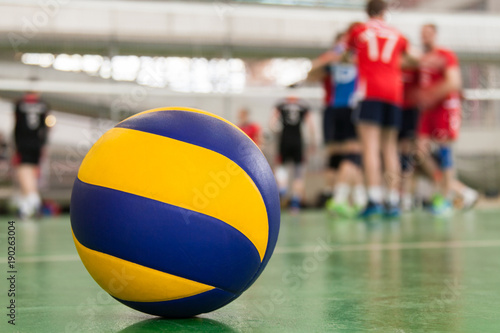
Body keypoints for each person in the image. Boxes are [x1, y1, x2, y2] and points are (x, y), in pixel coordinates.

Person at [346, 0, 410, 218]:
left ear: (367, 11)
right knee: (390, 148)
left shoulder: (359, 31)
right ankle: (392, 201)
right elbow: (408, 58)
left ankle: (373, 200)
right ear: (385, 11)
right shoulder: (397, 34)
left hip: (370, 91)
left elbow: (346, 54)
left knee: (370, 148)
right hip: (394, 93)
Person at [416, 23, 478, 215]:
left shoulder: (445, 55)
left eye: (428, 34)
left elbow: (454, 82)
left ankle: (445, 199)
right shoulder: (421, 59)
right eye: (422, 34)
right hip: (429, 111)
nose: (425, 37)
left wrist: (432, 94)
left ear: (435, 35)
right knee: (420, 150)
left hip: (445, 108)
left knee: (445, 151)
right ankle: (458, 189)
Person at [304, 29, 366, 217]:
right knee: (338, 155)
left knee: (353, 153)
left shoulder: (359, 57)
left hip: (351, 108)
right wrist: (330, 58)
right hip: (336, 109)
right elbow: (311, 73)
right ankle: (340, 198)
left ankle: (351, 199)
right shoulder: (333, 59)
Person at [270, 96, 316, 212]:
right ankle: (295, 201)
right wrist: (313, 141)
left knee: (282, 166)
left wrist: (276, 131)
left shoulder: (280, 105)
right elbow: (311, 125)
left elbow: (272, 123)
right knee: (298, 172)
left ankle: (282, 190)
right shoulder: (303, 106)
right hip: (297, 141)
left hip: (284, 140)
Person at [13, 91, 49, 219]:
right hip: (36, 145)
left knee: (24, 172)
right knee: (31, 174)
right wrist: (43, 145)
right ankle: (26, 207)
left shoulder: (20, 103)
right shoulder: (43, 104)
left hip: (23, 145)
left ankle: (34, 201)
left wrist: (16, 146)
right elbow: (45, 128)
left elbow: (17, 126)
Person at [399, 66, 421, 211]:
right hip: (395, 107)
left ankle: (407, 197)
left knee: (409, 154)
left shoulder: (416, 67)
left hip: (411, 111)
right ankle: (399, 195)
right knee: (397, 153)